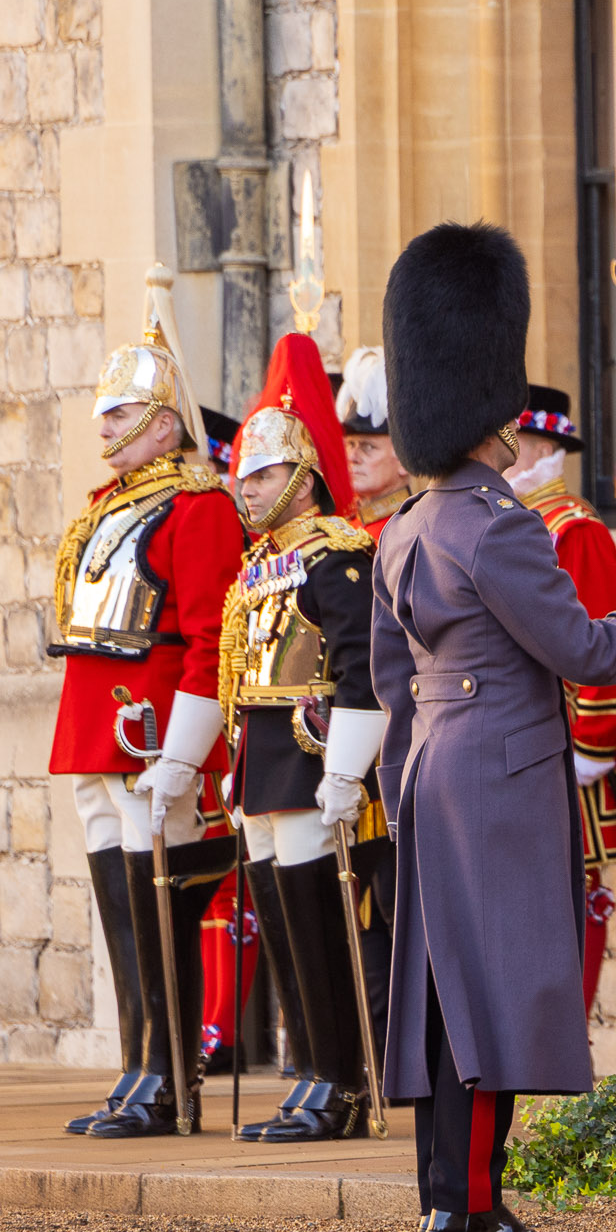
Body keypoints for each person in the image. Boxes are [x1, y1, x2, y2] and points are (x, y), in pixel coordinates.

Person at [369, 222, 616, 1232]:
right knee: (492, 991)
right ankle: (471, 1205)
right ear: (489, 414)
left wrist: (400, 787)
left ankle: (451, 1197)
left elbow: (394, 686)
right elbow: (584, 649)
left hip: (433, 768)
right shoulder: (499, 522)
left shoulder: (407, 527)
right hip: (504, 772)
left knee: (445, 993)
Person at [46, 272, 242, 1139]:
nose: (104, 426)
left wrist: (187, 752)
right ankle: (138, 1064)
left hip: (156, 727)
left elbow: (210, 639)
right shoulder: (107, 505)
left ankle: (170, 1077)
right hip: (97, 725)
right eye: (104, 412)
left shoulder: (197, 507)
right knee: (121, 912)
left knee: (160, 906)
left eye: (121, 413)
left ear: (165, 421)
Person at [218, 326, 383, 1141]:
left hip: (316, 763)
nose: (249, 488)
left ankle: (342, 1078)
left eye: (268, 472)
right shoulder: (258, 568)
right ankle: (312, 1068)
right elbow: (242, 677)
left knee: (321, 930)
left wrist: (348, 771)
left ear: (306, 475)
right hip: (264, 768)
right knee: (283, 929)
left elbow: (363, 673)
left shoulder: (339, 558)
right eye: (244, 474)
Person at [507, 384, 616, 1014]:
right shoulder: (516, 523)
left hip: (569, 740)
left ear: (537, 446)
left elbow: (607, 645)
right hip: (523, 735)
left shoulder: (575, 531)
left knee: (574, 886)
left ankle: (570, 1036)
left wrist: (590, 744)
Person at [335, 347, 414, 536]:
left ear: (404, 460)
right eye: (351, 444)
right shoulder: (348, 526)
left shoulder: (410, 531)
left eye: (368, 447)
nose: (352, 457)